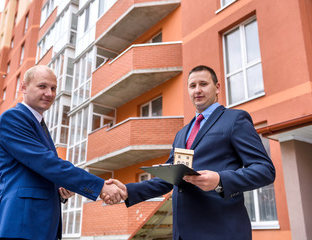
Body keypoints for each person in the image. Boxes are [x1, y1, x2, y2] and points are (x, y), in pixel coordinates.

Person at [105, 65, 276, 240]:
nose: (198, 90)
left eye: (203, 84)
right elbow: (170, 179)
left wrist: (220, 180)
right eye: (192, 86)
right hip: (183, 233)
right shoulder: (182, 134)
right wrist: (128, 190)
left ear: (217, 87)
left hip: (221, 231)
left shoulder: (235, 119)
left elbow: (265, 170)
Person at [0, 65, 125, 240]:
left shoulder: (39, 124)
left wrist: (59, 187)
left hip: (38, 225)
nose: (49, 93)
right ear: (24, 88)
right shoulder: (13, 118)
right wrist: (100, 186)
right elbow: (46, 163)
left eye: (53, 88)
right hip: (20, 223)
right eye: (42, 86)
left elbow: (37, 171)